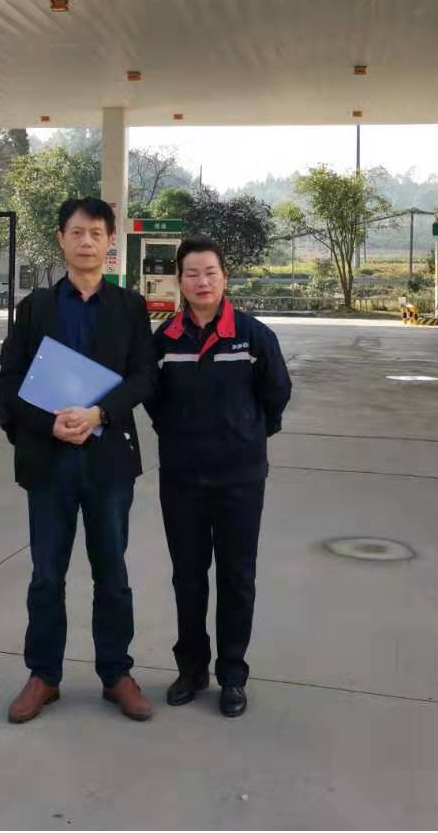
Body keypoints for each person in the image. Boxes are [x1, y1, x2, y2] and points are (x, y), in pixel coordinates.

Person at [0, 198, 158, 725]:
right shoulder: (35, 307)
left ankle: (116, 674)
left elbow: (145, 377)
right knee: (47, 575)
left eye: (96, 233)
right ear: (61, 240)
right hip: (49, 462)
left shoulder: (129, 307)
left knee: (112, 573)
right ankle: (44, 675)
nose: (86, 241)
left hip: (107, 462)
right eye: (76, 232)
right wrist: (48, 425)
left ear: (110, 243)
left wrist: (98, 414)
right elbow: (9, 382)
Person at [148, 237, 292, 719]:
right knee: (187, 577)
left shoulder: (253, 336)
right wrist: (180, 435)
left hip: (240, 480)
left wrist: (248, 433)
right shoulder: (165, 339)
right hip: (182, 479)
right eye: (191, 273)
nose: (202, 281)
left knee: (237, 577)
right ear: (179, 280)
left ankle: (232, 675)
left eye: (210, 272)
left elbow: (276, 393)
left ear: (225, 277)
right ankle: (191, 670)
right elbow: (153, 399)